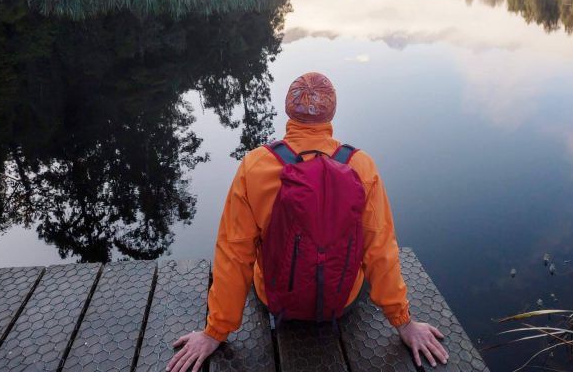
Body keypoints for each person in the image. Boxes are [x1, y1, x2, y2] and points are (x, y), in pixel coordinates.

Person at [167, 72, 448, 372]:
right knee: (365, 261)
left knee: (251, 258)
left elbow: (234, 253)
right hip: (342, 302)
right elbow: (380, 249)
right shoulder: (361, 166)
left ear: (288, 109)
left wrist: (215, 331)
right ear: (332, 112)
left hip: (274, 299)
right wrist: (404, 323)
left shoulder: (256, 165)